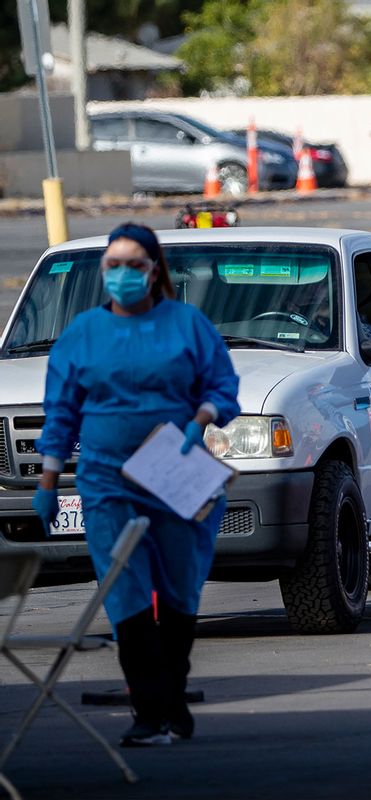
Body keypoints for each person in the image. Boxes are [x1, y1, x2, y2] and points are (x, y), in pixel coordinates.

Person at [33, 223, 240, 746]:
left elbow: (222, 384)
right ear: (103, 272)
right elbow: (60, 411)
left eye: (134, 265)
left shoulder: (187, 325)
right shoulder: (82, 334)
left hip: (175, 472)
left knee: (177, 589)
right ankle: (153, 713)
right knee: (125, 590)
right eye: (113, 266)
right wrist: (49, 479)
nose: (123, 275)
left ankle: (173, 698)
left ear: (154, 271)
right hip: (107, 479)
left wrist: (201, 419)